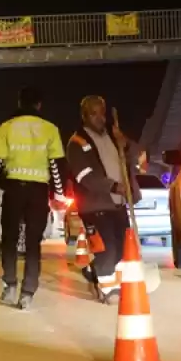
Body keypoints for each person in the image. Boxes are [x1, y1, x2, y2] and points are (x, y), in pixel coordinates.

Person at [0, 87, 68, 310]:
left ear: (19, 102)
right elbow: (57, 165)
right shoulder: (50, 129)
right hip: (38, 192)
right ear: (39, 104)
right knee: (32, 243)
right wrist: (58, 194)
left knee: (9, 239)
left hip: (14, 189)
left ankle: (9, 286)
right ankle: (27, 292)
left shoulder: (7, 127)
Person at [65, 95, 142, 303]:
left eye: (102, 112)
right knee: (106, 249)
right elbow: (84, 176)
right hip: (94, 206)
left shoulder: (112, 137)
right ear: (84, 116)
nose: (99, 118)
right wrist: (113, 186)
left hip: (117, 204)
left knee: (122, 248)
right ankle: (108, 290)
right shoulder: (77, 142)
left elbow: (138, 154)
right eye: (93, 113)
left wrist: (123, 141)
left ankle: (104, 279)